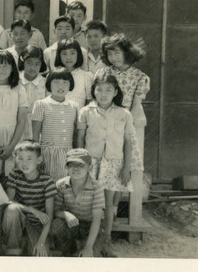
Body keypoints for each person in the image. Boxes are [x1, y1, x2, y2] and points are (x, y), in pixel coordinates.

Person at [76, 73, 141, 256]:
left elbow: (128, 142)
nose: (103, 94)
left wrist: (126, 167)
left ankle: (106, 240)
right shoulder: (85, 111)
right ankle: (87, 240)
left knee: (109, 203)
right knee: (91, 201)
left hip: (114, 163)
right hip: (92, 162)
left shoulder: (124, 113)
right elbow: (80, 138)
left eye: (108, 90)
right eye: (99, 90)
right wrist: (82, 162)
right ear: (93, 91)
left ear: (115, 92)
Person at [96, 33, 150, 174]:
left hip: (124, 120)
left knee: (124, 161)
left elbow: (136, 104)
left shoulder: (140, 77)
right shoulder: (103, 73)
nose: (114, 57)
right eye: (110, 54)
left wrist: (127, 124)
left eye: (117, 53)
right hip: (104, 119)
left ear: (127, 52)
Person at [2, 140, 56, 256]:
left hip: (37, 225)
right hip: (18, 221)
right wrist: (32, 210)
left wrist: (41, 242)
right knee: (12, 209)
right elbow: (9, 201)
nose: (24, 163)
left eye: (29, 158)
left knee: (40, 256)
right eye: (20, 158)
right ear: (15, 158)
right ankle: (13, 251)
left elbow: (49, 215)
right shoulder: (14, 174)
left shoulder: (47, 181)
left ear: (39, 160)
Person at [50, 148, 105, 257]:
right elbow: (55, 211)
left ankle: (87, 246)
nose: (75, 169)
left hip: (90, 226)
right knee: (57, 225)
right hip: (72, 224)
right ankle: (68, 250)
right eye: (71, 165)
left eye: (81, 165)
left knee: (92, 255)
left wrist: (88, 248)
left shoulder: (96, 186)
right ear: (66, 167)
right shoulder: (61, 184)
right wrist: (66, 214)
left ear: (90, 167)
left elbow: (97, 219)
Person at [32, 68, 78, 181]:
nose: (60, 86)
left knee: (65, 184)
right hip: (47, 153)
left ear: (70, 85)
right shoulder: (41, 104)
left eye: (65, 83)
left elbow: (76, 134)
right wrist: (37, 156)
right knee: (47, 183)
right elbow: (35, 134)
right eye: (56, 82)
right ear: (49, 84)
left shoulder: (74, 106)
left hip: (67, 153)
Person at [54, 38, 93, 110]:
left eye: (72, 53)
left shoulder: (86, 76)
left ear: (78, 54)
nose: (68, 57)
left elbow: (89, 104)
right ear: (59, 55)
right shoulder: (53, 76)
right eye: (64, 53)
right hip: (56, 119)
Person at [17, 46, 47, 140]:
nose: (33, 67)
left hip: (39, 126)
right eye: (29, 63)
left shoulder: (45, 83)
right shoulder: (15, 81)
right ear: (23, 62)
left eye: (37, 64)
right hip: (18, 124)